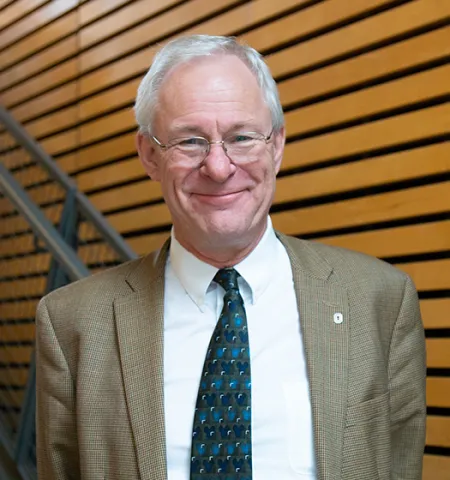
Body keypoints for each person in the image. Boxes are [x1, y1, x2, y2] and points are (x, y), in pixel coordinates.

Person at [36, 35, 426, 480]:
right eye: (190, 141)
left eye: (241, 137)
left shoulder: (380, 301)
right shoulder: (72, 324)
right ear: (149, 155)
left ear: (276, 146)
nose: (218, 168)